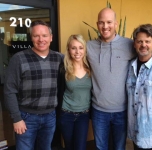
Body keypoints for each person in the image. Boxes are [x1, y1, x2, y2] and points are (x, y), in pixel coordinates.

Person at [86, 8, 152, 150]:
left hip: (146, 126)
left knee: (120, 147)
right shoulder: (90, 47)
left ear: (116, 24)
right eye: (101, 22)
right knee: (101, 147)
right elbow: (73, 55)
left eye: (109, 22)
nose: (105, 26)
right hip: (110, 117)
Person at [4, 20, 63, 150]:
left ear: (51, 37)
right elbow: (9, 90)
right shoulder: (19, 59)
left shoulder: (59, 59)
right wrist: (16, 118)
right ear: (32, 38)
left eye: (44, 35)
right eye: (36, 36)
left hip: (50, 117)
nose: (41, 39)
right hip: (26, 117)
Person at [58, 34, 92, 150]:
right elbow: (59, 91)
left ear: (85, 49)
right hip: (66, 114)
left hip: (83, 115)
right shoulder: (64, 68)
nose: (77, 51)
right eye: (73, 48)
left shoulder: (91, 68)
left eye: (81, 48)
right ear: (68, 50)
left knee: (80, 147)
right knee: (69, 146)